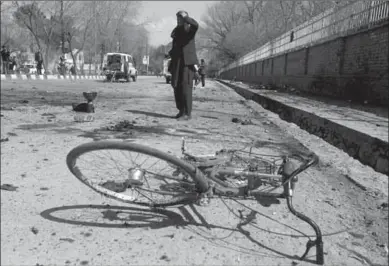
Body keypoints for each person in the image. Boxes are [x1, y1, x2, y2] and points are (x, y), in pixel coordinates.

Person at [168, 10, 199, 121]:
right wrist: (170, 54)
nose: (178, 20)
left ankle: (187, 113)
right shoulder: (176, 31)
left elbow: (196, 25)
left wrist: (187, 18)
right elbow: (175, 46)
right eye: (177, 19)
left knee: (186, 87)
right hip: (177, 62)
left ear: (185, 19)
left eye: (180, 18)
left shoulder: (190, 30)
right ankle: (181, 110)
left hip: (187, 62)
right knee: (176, 86)